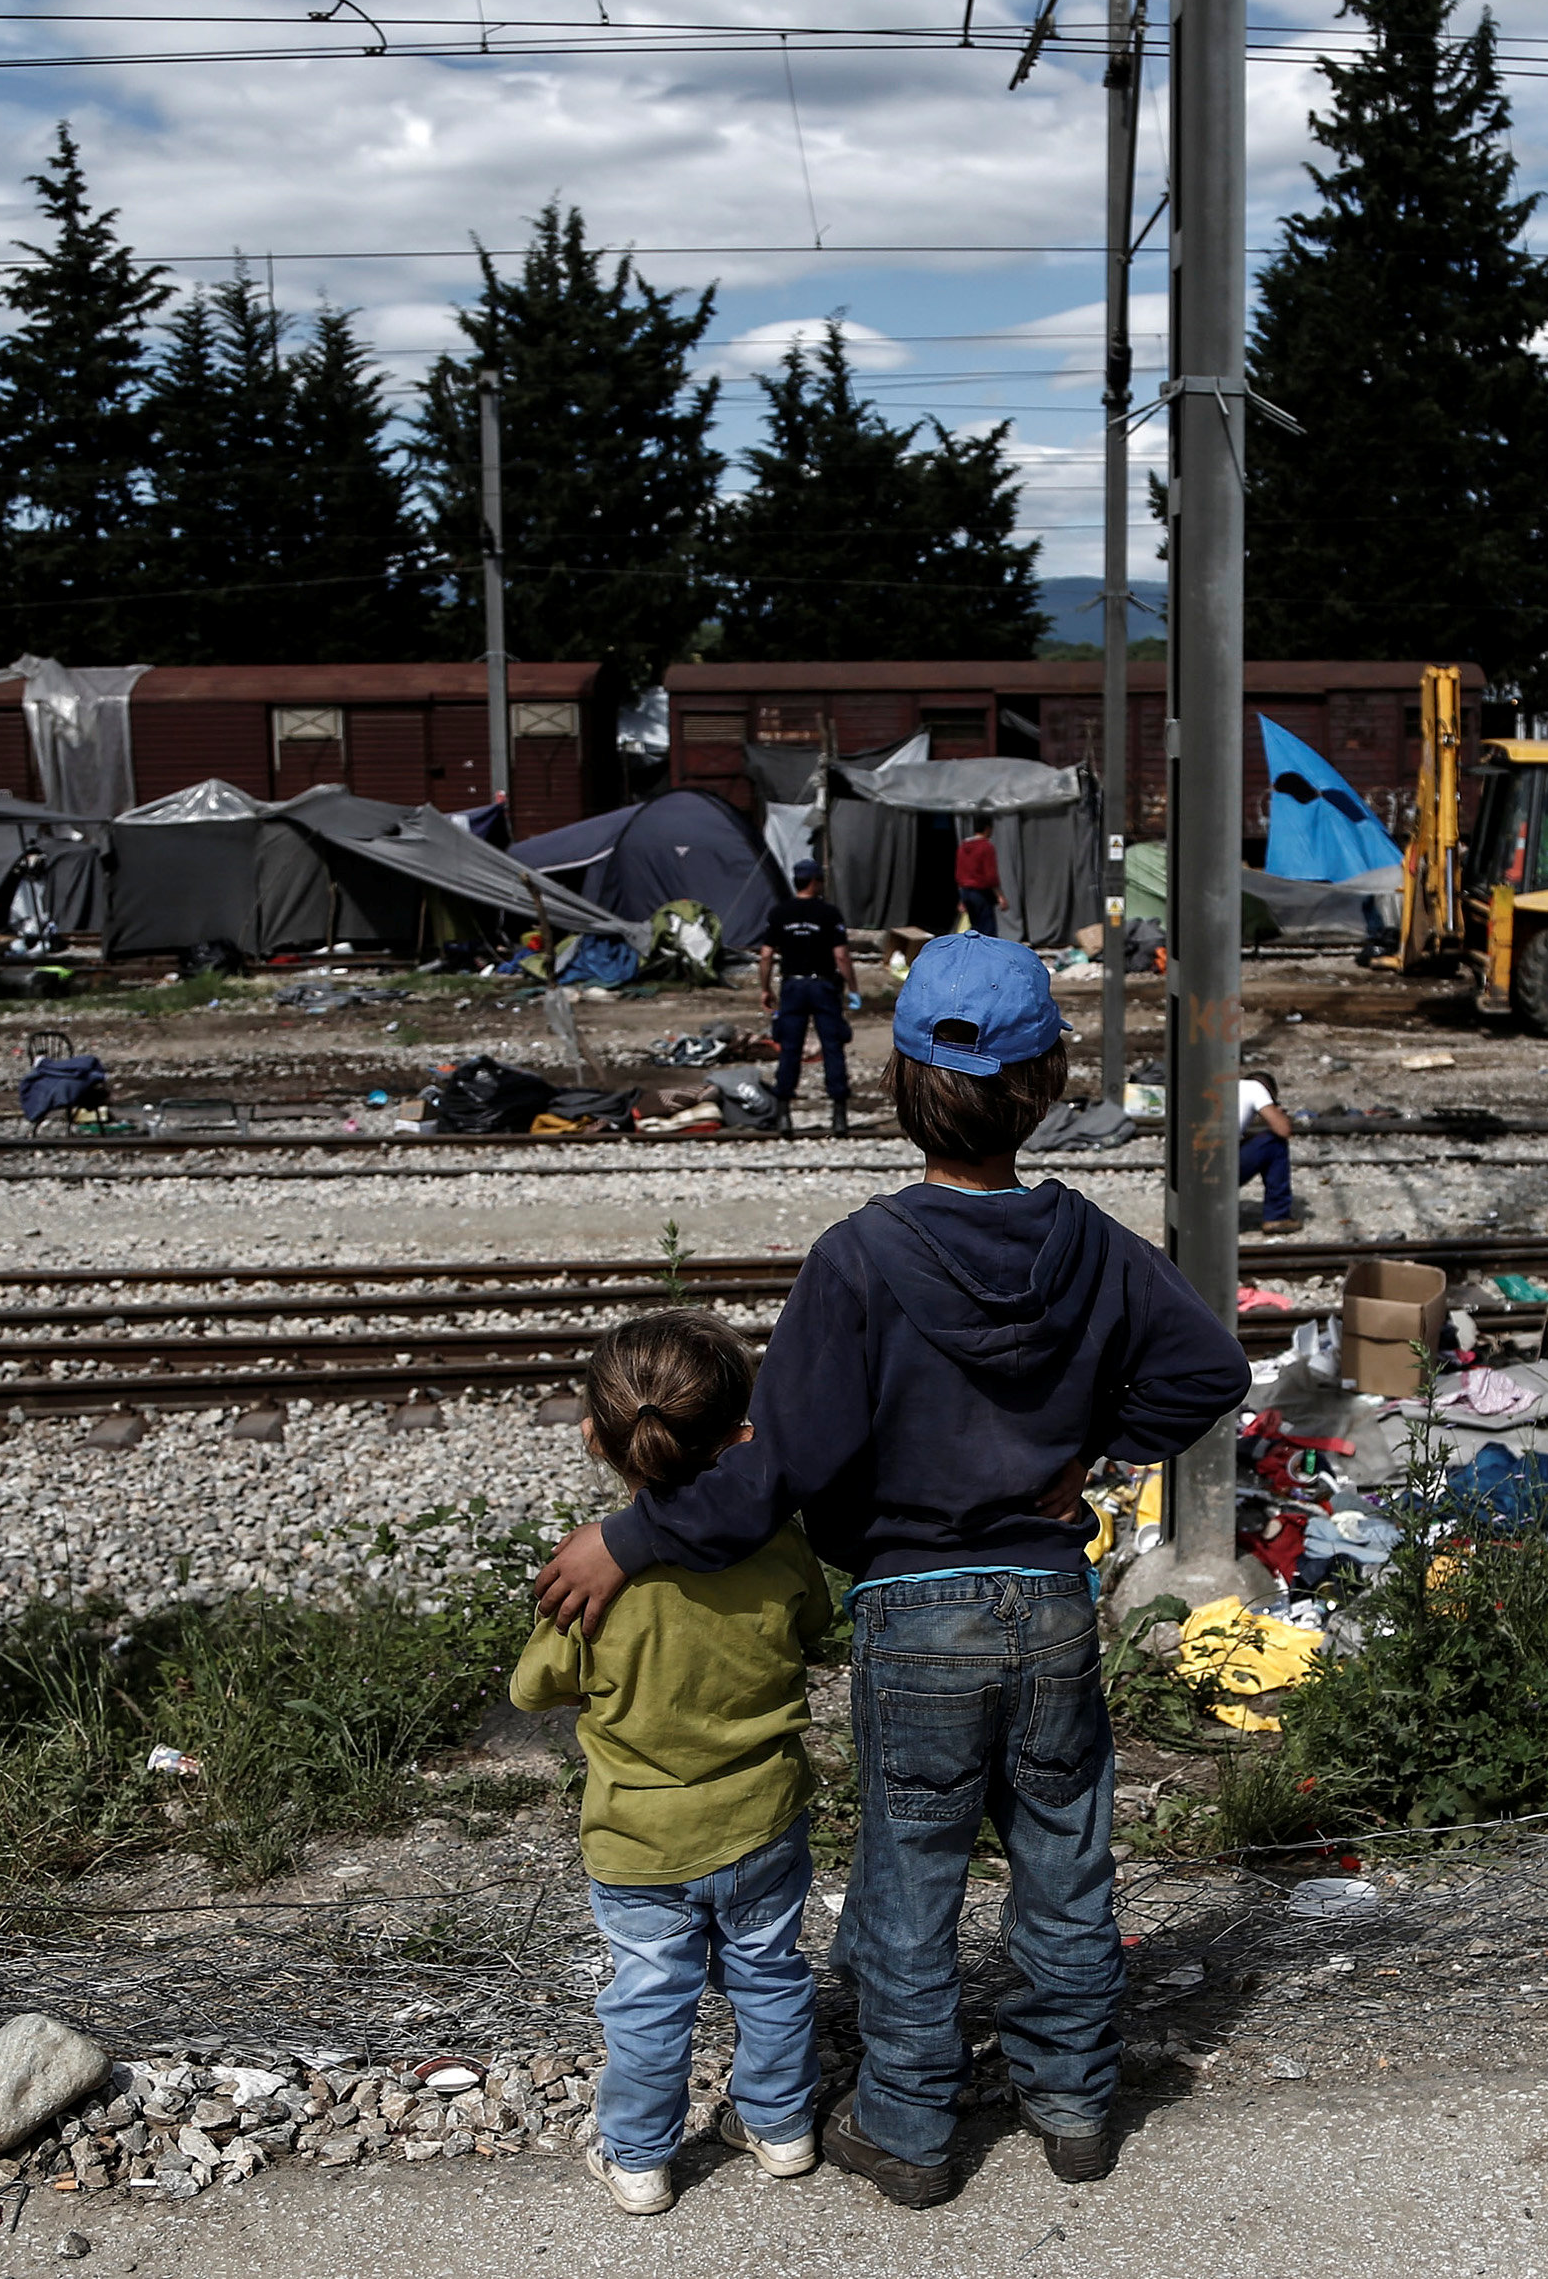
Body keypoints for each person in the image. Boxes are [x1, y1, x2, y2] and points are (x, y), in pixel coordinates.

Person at [530, 933, 1251, 2209]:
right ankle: (1076, 2101)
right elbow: (1209, 1369)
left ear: (896, 1084)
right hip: (1045, 1604)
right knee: (1065, 1859)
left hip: (911, 1615)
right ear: (1044, 1083)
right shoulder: (1089, 1243)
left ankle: (910, 2131)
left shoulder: (856, 1261)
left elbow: (777, 1468)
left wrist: (626, 1535)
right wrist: (1090, 1448)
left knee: (909, 1878)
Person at [512, 1307, 834, 2217]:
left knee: (650, 1998)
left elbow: (537, 1686)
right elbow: (814, 1627)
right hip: (765, 1814)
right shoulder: (779, 1543)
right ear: (740, 1435)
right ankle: (780, 2127)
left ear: (593, 1439)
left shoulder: (593, 1574)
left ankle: (642, 2159)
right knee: (769, 1971)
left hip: (640, 1838)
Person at [759, 857, 857, 1133]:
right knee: (832, 1046)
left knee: (790, 1048)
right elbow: (841, 956)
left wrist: (765, 988)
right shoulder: (828, 914)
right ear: (815, 882)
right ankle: (839, 1114)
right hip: (823, 985)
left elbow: (766, 955)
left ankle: (784, 1113)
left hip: (792, 986)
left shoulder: (780, 913)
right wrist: (854, 988)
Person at [1237, 1070, 1299, 1235]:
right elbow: (1283, 1129)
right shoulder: (1255, 1088)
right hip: (1215, 1170)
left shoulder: (1226, 1088)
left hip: (1185, 1174)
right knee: (1275, 1142)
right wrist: (1277, 1112)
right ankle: (1277, 1216)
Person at [953, 827, 1005, 938]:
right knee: (987, 931)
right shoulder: (986, 847)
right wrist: (1000, 896)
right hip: (981, 893)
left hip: (966, 892)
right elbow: (990, 875)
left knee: (974, 929)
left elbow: (960, 872)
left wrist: (962, 898)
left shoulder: (963, 847)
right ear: (987, 829)